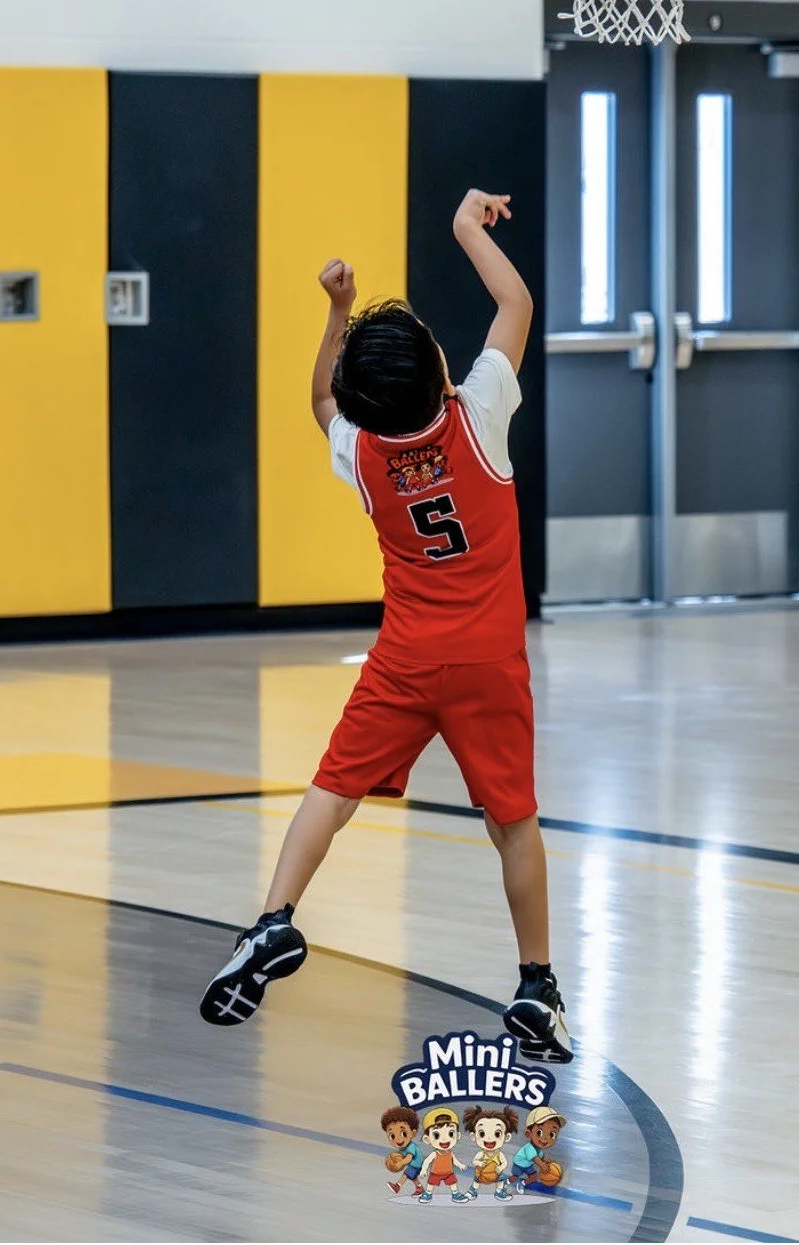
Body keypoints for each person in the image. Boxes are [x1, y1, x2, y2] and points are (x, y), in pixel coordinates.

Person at [198, 189, 571, 1062]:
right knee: (513, 824)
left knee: (329, 794)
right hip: (487, 665)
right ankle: (536, 986)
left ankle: (273, 921)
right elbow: (515, 305)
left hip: (404, 661)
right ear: (444, 369)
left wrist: (335, 310)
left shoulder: (361, 452)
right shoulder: (480, 414)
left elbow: (321, 401)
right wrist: (465, 229)